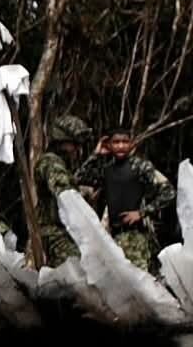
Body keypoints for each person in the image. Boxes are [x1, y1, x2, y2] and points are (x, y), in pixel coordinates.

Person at [75, 126, 175, 271]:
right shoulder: (106, 170)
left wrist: (141, 213)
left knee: (139, 284)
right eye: (116, 142)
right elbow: (79, 177)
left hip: (136, 237)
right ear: (109, 145)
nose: (121, 146)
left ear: (131, 144)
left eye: (125, 141)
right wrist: (96, 154)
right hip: (113, 238)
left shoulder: (141, 167)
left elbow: (169, 192)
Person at [33, 115, 92, 266]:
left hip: (65, 230)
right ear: (62, 142)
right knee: (75, 270)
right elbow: (63, 189)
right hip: (54, 231)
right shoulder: (50, 161)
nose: (77, 150)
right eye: (74, 144)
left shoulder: (60, 163)